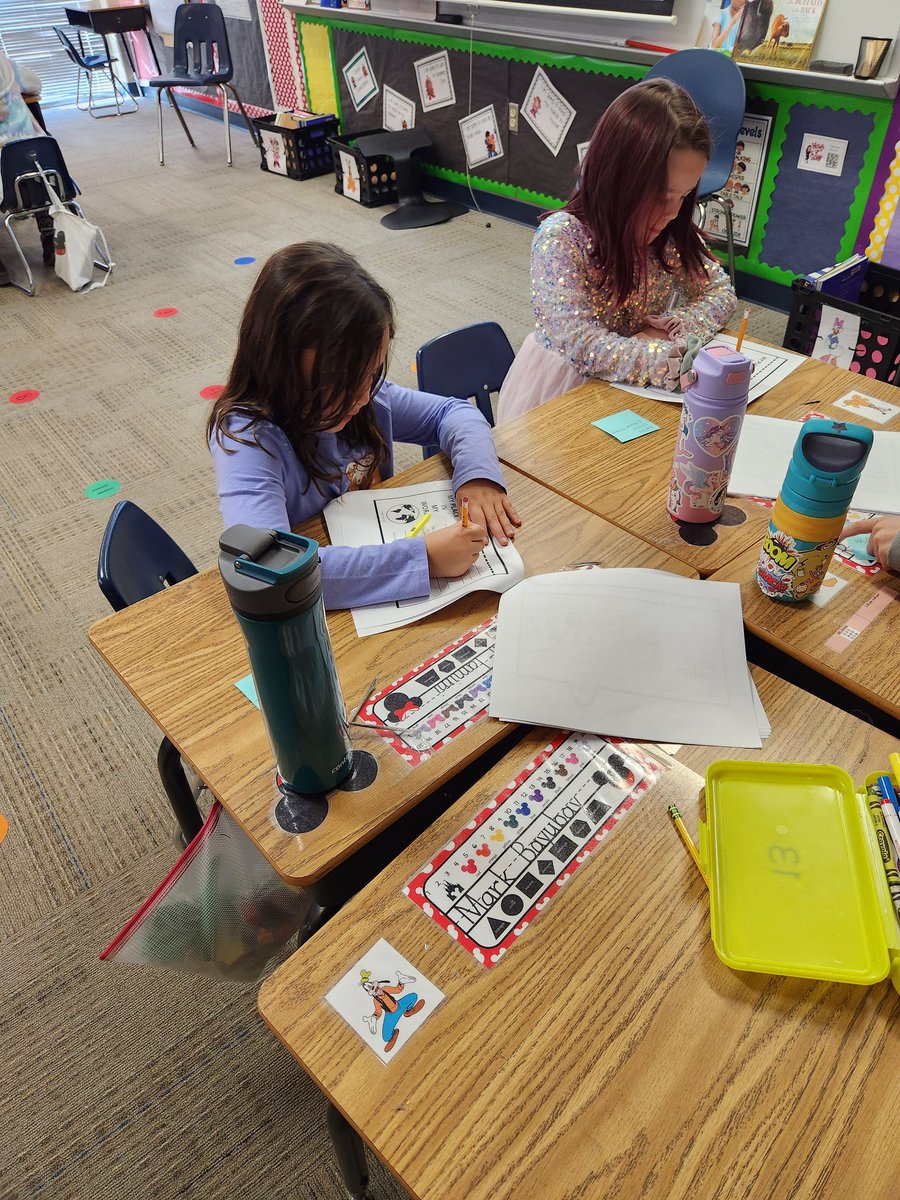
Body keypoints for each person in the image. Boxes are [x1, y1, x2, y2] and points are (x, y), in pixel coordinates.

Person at [208, 242, 521, 610]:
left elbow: (454, 414)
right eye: (340, 382)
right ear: (278, 365)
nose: (361, 397)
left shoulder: (369, 394)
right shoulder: (246, 440)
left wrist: (477, 476)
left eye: (372, 373)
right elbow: (270, 572)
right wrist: (423, 559)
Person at [497, 79, 736, 423]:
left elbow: (720, 291)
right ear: (619, 177)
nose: (672, 213)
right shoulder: (562, 238)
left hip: (631, 387)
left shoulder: (668, 236)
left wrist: (674, 325)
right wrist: (664, 357)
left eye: (684, 196)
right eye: (662, 195)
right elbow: (581, 343)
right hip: (563, 392)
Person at [0, 51, 52, 286]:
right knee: (38, 171)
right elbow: (36, 83)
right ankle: (49, 239)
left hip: (3, 183)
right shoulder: (7, 66)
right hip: (34, 169)